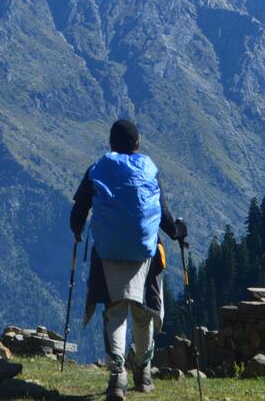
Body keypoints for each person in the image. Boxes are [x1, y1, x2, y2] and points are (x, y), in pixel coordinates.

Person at [70, 119, 188, 400]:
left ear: (111, 144)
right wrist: (179, 232)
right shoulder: (148, 169)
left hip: (107, 253)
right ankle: (144, 373)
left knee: (115, 312)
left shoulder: (97, 169)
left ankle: (117, 376)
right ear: (137, 144)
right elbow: (165, 216)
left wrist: (76, 232)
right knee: (143, 312)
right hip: (143, 254)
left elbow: (78, 212)